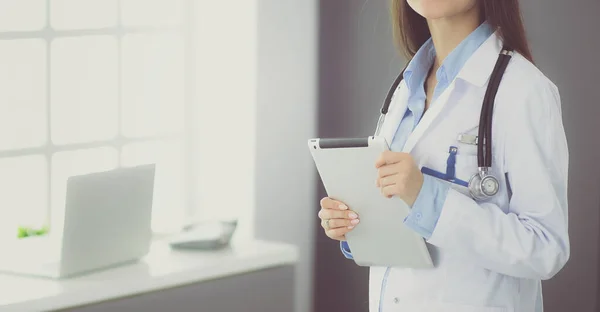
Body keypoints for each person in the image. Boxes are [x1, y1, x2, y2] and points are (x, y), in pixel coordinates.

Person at [317, 0, 570, 311]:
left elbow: (546, 249)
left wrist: (427, 199)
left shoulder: (524, 90)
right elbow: (404, 219)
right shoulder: (406, 88)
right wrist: (358, 225)